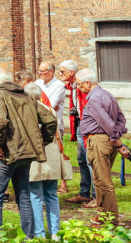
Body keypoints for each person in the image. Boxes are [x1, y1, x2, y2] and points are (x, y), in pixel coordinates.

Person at [0, 67, 57, 236]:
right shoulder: (25, 95)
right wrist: (41, 142)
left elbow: (0, 122)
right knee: (24, 197)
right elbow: (50, 121)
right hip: (26, 153)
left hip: (6, 154)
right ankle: (30, 237)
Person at [76, 68, 130, 226]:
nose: (79, 88)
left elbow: (107, 122)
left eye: (80, 85)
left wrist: (117, 141)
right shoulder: (107, 95)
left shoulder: (94, 99)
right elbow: (121, 118)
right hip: (107, 140)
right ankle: (102, 213)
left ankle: (111, 219)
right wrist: (117, 136)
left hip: (100, 141)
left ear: (88, 83)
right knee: (99, 179)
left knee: (102, 181)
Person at [26, 83, 69, 240]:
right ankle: (55, 232)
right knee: (51, 194)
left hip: (35, 154)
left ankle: (39, 232)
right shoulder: (49, 109)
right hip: (51, 153)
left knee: (35, 195)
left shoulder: (27, 111)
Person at [60, 59, 94, 205]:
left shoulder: (83, 86)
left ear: (71, 73)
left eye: (62, 71)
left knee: (90, 159)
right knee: (81, 158)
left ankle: (96, 195)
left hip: (88, 125)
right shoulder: (71, 86)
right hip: (79, 124)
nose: (60, 74)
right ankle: (84, 192)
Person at [35, 60, 68, 193]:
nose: (39, 73)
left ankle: (62, 183)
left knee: (57, 152)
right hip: (38, 124)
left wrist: (38, 104)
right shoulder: (37, 83)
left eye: (42, 71)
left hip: (54, 125)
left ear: (51, 72)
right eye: (39, 71)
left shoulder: (59, 86)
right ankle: (43, 179)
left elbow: (51, 106)